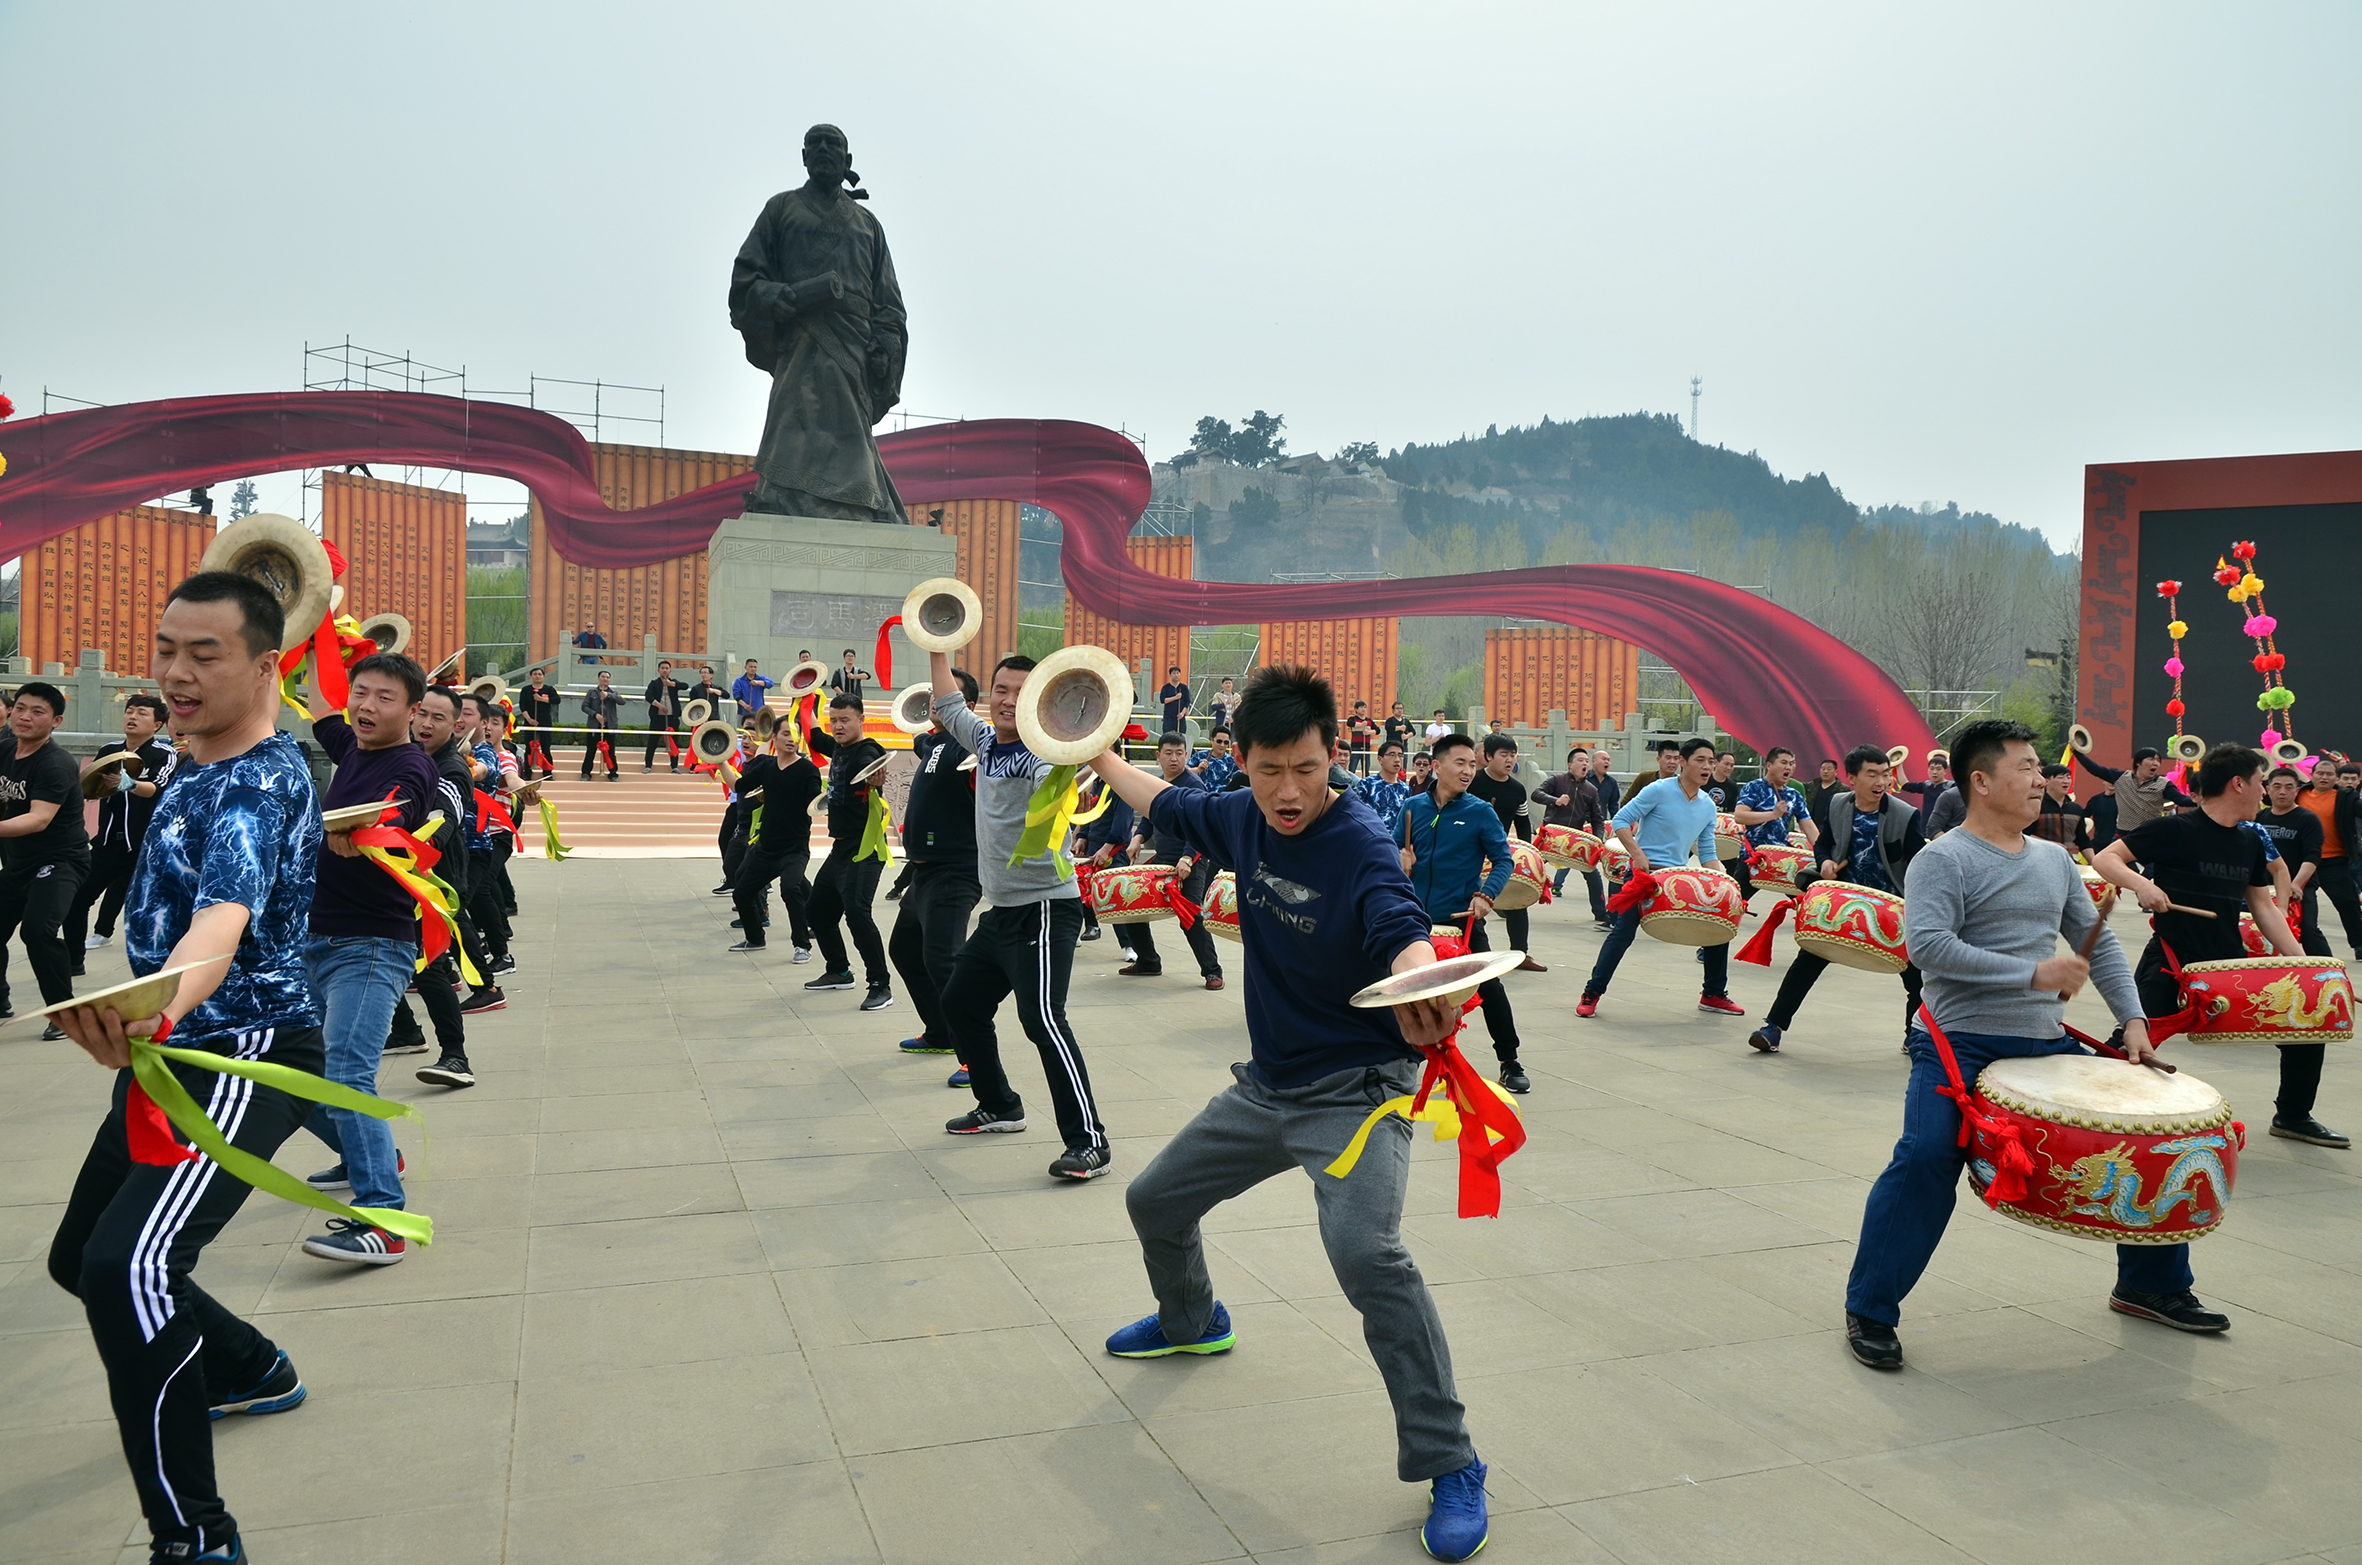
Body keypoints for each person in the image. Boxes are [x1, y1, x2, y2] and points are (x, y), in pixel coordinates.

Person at [1084, 664, 1493, 1563]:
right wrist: (1101, 752)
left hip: (1354, 1096)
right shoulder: (1238, 812)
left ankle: (1452, 1459)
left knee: (1368, 1255)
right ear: (1244, 760)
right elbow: (1166, 802)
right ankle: (1194, 1320)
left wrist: (1425, 970)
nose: (1290, 790)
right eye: (1269, 769)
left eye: (1306, 766)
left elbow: (1395, 915)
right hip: (1266, 1087)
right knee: (1152, 1200)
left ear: (1331, 755)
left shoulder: (1359, 838)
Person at [44, 571, 325, 1564]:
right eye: (168, 646)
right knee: (79, 1252)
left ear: (266, 664)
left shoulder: (258, 779)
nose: (176, 670)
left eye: (205, 653)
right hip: (174, 1048)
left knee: (130, 1268)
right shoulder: (189, 758)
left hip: (245, 1049)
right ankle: (250, 1363)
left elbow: (222, 920)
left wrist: (157, 998)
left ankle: (196, 1539)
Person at [1842, 718, 2192, 1372]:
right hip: (1958, 1046)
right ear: (1981, 780)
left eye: (2040, 768)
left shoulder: (2055, 858)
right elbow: (1929, 948)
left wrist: (2135, 1021)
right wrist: (2034, 972)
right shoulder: (1942, 858)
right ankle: (1870, 1306)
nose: (2042, 779)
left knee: (2147, 1131)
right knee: (1923, 1159)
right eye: (2027, 767)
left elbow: (2103, 943)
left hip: (2043, 1039)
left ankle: (2152, 1282)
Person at [2098, 744, 2347, 1151]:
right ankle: (2093, 1109)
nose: (2264, 792)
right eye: (2259, 783)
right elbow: (2110, 859)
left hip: (2227, 967)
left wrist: (2303, 966)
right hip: (2173, 960)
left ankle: (2293, 1115)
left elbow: (2263, 905)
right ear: (2238, 784)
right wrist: (2144, 885)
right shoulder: (2174, 828)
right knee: (2132, 1040)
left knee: (2307, 1026)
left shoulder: (2248, 841)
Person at [930, 650, 1112, 1181]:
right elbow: (945, 699)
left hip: (1046, 910)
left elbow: (1068, 758)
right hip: (1001, 914)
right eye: (1001, 690)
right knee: (960, 1003)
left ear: (1038, 700)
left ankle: (1090, 1143)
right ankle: (1001, 1105)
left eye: (1021, 691)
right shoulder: (985, 743)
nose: (1009, 700)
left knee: (1043, 1021)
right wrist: (938, 642)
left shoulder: (1040, 756)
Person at [296, 652, 445, 1260]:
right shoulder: (350, 744)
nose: (366, 706)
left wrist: (363, 829)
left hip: (372, 944)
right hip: (312, 937)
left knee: (348, 1074)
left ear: (412, 712)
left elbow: (398, 810)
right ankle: (368, 1149)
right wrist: (311, 637)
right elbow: (322, 707)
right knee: (289, 1067)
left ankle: (385, 1219)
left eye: (385, 698)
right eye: (362, 692)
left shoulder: (410, 764)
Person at [1747, 744, 1926, 1055]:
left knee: (1917, 979)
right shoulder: (1839, 805)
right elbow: (1824, 844)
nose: (1881, 782)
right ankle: (1773, 1027)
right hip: (1843, 904)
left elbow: (1922, 864)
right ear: (1852, 778)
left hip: (1891, 908)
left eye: (1885, 774)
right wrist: (1826, 861)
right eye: (1872, 774)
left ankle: (1915, 1035)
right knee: (1806, 962)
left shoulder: (1905, 815)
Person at [1580, 737, 1744, 1020]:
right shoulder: (1658, 789)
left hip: (1676, 879)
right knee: (1622, 934)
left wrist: (1725, 883)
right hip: (1644, 874)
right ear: (1683, 762)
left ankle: (1713, 993)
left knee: (1718, 921)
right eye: (1700, 760)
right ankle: (1592, 992)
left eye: (1711, 761)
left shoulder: (1707, 805)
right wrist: (1638, 855)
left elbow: (1707, 852)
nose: (1707, 767)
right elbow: (1620, 820)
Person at [1399, 733, 1526, 1093]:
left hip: (1461, 922)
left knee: (1490, 989)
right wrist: (1400, 859)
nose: (1469, 770)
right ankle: (1402, 1059)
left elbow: (1504, 859)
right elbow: (1392, 851)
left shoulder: (1480, 812)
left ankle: (1509, 1059)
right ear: (1437, 766)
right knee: (1403, 991)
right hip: (1414, 921)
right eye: (1461, 762)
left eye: (1473, 763)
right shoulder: (1412, 809)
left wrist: (1487, 895)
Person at [889, 668, 981, 1065]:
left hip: (956, 870)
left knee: (944, 962)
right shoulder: (934, 743)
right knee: (906, 951)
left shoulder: (970, 748)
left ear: (967, 707)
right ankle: (941, 1031)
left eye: (947, 696)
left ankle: (974, 1058)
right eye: (934, 694)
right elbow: (922, 740)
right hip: (924, 872)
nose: (935, 701)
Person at [0, 680, 92, 1035]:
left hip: (60, 861)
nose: (25, 716)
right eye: (20, 708)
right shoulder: (5, 751)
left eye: (37, 712)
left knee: (38, 931)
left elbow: (39, 819)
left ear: (56, 722)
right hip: (18, 864)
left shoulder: (55, 763)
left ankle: (66, 1015)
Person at [68, 693, 179, 970]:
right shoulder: (109, 751)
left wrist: (129, 783)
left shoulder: (163, 753)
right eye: (129, 711)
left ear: (157, 724)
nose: (132, 717)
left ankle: (153, 966)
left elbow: (158, 787)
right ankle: (72, 962)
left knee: (143, 910)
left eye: (142, 713)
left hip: (144, 848)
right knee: (77, 899)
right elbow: (89, 786)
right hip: (106, 844)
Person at [802, 694, 894, 1008]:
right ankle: (839, 971)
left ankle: (880, 984)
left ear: (860, 720)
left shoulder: (866, 750)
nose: (838, 726)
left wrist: (874, 777)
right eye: (834, 720)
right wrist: (807, 697)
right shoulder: (839, 749)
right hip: (841, 848)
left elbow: (874, 764)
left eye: (845, 720)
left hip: (865, 848)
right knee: (816, 912)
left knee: (857, 912)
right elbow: (814, 736)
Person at [1117, 733, 1225, 989]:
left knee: (1190, 915)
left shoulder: (1193, 785)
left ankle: (1212, 971)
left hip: (1191, 858)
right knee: (1130, 901)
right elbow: (1148, 817)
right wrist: (1137, 839)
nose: (1174, 758)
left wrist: (1187, 858)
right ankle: (1148, 960)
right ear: (1158, 756)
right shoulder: (1156, 784)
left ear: (1186, 755)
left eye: (1179, 753)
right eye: (1168, 753)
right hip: (1163, 859)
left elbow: (1199, 828)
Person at [727, 723, 823, 958]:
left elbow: (815, 802)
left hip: (795, 848)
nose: (792, 738)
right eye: (786, 733)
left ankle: (802, 945)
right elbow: (739, 786)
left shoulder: (807, 769)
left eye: (796, 734)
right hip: (767, 848)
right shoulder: (767, 767)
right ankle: (755, 938)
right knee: (741, 891)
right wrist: (720, 761)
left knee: (790, 889)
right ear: (774, 738)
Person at [1466, 733, 1544, 972]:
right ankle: (1469, 953)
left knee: (1518, 903)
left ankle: (1521, 954)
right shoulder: (1473, 782)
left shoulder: (1517, 789)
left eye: (1513, 755)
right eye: (1504, 754)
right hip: (1472, 854)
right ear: (1488, 756)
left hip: (1501, 854)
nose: (1509, 760)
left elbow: (1522, 823)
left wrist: (1528, 855)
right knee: (1473, 904)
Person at [1534, 748, 1610, 922]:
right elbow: (1536, 794)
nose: (1585, 764)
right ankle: (1508, 904)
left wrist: (1598, 841)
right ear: (1570, 765)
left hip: (1574, 840)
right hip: (1551, 836)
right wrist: (1555, 800)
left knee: (1592, 874)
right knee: (1529, 864)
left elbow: (1598, 819)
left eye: (1586, 761)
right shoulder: (1557, 780)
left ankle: (1600, 913)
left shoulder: (1590, 790)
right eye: (1580, 760)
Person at [2070, 741, 2192, 846]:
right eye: (2151, 759)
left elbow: (2181, 800)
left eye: (2158, 760)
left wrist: (2203, 799)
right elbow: (2095, 769)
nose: (2155, 763)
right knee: (2111, 866)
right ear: (2138, 762)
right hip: (2123, 837)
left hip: (2150, 837)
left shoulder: (2164, 784)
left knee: (2149, 873)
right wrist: (2076, 751)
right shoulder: (2121, 777)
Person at [2298, 759, 2362, 955]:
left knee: (2347, 903)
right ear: (2312, 775)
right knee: (2300, 908)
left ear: (2336, 778)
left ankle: (2359, 944)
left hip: (2333, 861)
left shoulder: (2346, 798)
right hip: (2302, 862)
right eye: (2320, 773)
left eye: (2329, 774)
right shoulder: (2299, 794)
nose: (2324, 777)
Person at [1074, 774, 1138, 957]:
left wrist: (1107, 847)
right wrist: (1081, 838)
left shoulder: (1121, 785)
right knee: (1081, 892)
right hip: (1094, 848)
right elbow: (1089, 815)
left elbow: (1122, 822)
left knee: (1115, 899)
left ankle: (1130, 946)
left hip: (1115, 850)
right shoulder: (1095, 784)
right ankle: (1080, 931)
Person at [1356, 739, 1414, 840]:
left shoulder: (1405, 789)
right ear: (1380, 759)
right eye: (1392, 755)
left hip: (1396, 844)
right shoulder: (1367, 784)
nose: (1397, 759)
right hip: (1370, 840)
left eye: (1400, 755)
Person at [2029, 763, 2089, 853]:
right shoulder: (2036, 805)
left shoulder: (2076, 809)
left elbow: (2083, 840)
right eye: (2060, 778)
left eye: (2068, 777)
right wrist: (2052, 845)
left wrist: (2094, 863)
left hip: (2067, 860)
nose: (2066, 781)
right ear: (2046, 781)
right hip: (2039, 857)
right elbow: (2024, 835)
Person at [515, 667, 560, 778]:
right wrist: (529, 719)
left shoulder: (549, 689)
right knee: (529, 747)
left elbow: (557, 700)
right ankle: (527, 772)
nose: (537, 676)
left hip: (545, 721)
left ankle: (547, 772)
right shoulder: (526, 690)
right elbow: (522, 705)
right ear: (531, 676)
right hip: (530, 721)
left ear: (543, 676)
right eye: (535, 674)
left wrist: (542, 699)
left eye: (540, 674)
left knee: (546, 747)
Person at [579, 670, 622, 780]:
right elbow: (584, 706)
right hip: (595, 726)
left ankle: (613, 773)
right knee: (590, 751)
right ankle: (586, 773)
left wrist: (608, 696)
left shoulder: (614, 693)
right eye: (603, 677)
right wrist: (595, 715)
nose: (605, 679)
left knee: (610, 751)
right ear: (599, 679)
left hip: (609, 726)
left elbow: (622, 701)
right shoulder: (591, 692)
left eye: (607, 677)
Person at [643, 659, 684, 772]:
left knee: (674, 743)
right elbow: (648, 696)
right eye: (663, 668)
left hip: (672, 718)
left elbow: (685, 686)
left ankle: (674, 766)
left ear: (670, 671)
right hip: (657, 718)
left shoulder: (673, 683)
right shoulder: (654, 683)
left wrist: (672, 684)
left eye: (667, 668)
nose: (665, 670)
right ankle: (648, 765)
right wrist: (659, 705)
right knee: (652, 742)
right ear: (658, 670)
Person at [1897, 749, 1950, 826]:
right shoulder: (1926, 785)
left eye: (1938, 769)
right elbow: (1905, 785)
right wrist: (1899, 764)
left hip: (1943, 828)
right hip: (1925, 826)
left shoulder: (1951, 787)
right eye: (1932, 768)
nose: (1934, 772)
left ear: (1945, 771)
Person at [1189, 726, 1239, 791]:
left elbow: (1239, 779)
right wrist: (1198, 769)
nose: (1222, 745)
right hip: (1202, 796)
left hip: (1222, 798)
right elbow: (1185, 771)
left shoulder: (1231, 761)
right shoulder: (1200, 756)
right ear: (1212, 740)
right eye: (1219, 741)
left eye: (1226, 742)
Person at [732, 659, 777, 724]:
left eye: (755, 667)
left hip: (759, 712)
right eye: (750, 667)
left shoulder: (761, 678)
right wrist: (745, 706)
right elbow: (737, 696)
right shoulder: (739, 681)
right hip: (743, 713)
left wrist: (758, 682)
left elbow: (771, 684)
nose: (753, 669)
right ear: (745, 667)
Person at [1346, 700, 1377, 775]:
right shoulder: (1353, 719)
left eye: (1364, 707)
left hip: (1366, 747)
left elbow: (1377, 730)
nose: (1363, 709)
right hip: (1355, 747)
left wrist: (1369, 732)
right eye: (1361, 707)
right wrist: (1361, 725)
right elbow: (1349, 723)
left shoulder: (1369, 720)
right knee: (1352, 768)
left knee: (1366, 769)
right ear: (1356, 709)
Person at [1157, 666, 1191, 734]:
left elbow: (1187, 702)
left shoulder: (1183, 687)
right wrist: (1175, 697)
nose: (1176, 675)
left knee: (1181, 737)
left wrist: (1182, 713)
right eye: (1174, 673)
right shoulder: (1166, 687)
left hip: (1180, 718)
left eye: (1178, 673)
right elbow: (1163, 700)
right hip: (1169, 718)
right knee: (1168, 736)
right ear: (1170, 675)